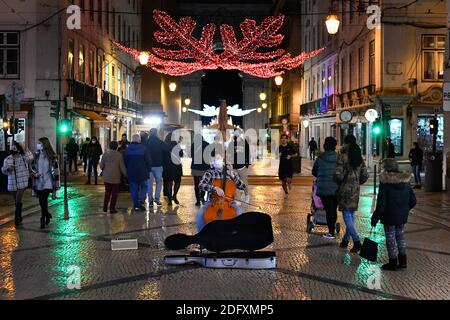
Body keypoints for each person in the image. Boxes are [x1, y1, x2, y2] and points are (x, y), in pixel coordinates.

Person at [371, 158, 416, 270]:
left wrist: (375, 217)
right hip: (402, 216)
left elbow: (381, 204)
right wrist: (404, 209)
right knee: (400, 236)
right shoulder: (405, 181)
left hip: (389, 215)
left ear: (386, 168)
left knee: (390, 238)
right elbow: (413, 200)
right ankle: (403, 261)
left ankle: (392, 263)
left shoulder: (385, 182)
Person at [334, 134, 368, 252]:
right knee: (351, 215)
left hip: (344, 190)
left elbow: (338, 175)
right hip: (356, 190)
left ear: (346, 143)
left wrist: (341, 180)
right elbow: (365, 175)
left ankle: (357, 241)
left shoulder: (342, 156)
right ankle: (345, 240)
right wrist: (357, 182)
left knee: (347, 216)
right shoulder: (359, 157)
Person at [196, 154, 247, 232]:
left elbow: (242, 186)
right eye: (215, 158)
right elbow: (201, 185)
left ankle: (234, 237)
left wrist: (233, 175)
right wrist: (214, 188)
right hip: (213, 201)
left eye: (219, 158)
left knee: (239, 214)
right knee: (200, 215)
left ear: (223, 161)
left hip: (230, 203)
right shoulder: (210, 173)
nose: (217, 160)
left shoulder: (231, 173)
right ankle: (202, 237)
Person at [1, 142, 34, 227]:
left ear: (19, 149)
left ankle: (16, 218)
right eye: (12, 147)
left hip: (22, 181)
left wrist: (25, 149)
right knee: (16, 200)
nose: (13, 148)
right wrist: (8, 169)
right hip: (12, 182)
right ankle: (19, 216)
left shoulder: (23, 157)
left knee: (18, 198)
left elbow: (31, 158)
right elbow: (3, 170)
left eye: (15, 147)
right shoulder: (8, 159)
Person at [312, 137, 338, 239]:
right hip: (336, 187)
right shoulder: (339, 158)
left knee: (328, 209)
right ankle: (332, 229)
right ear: (335, 146)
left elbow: (314, 172)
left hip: (324, 188)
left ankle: (331, 231)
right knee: (333, 208)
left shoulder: (320, 158)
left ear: (324, 146)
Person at [31, 137, 60, 229]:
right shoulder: (36, 155)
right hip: (38, 180)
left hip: (48, 181)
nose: (38, 145)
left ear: (44, 144)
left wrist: (57, 183)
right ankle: (47, 214)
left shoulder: (52, 156)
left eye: (40, 143)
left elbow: (56, 170)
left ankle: (42, 218)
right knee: (41, 200)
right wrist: (35, 173)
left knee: (44, 198)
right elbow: (32, 166)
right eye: (38, 143)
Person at [124, 134, 152, 212]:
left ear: (132, 140)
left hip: (131, 173)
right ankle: (141, 200)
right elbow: (148, 161)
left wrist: (126, 171)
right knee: (144, 186)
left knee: (133, 189)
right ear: (139, 140)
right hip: (143, 172)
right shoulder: (144, 148)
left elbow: (125, 162)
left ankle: (136, 205)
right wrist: (148, 170)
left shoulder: (127, 150)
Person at [100, 141, 127, 214]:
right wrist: (125, 174)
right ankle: (112, 208)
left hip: (106, 177)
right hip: (116, 177)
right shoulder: (119, 155)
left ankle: (105, 207)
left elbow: (101, 166)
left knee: (107, 192)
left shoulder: (105, 154)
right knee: (114, 194)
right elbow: (122, 167)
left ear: (109, 146)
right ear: (116, 147)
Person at [145, 128, 169, 206]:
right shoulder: (160, 142)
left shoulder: (146, 142)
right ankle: (157, 198)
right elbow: (167, 149)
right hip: (158, 165)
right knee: (159, 182)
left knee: (149, 183)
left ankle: (150, 200)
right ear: (156, 133)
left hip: (148, 166)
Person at [227, 129, 251, 201]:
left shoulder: (244, 142)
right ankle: (238, 199)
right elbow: (228, 153)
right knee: (235, 182)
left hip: (242, 166)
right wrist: (229, 162)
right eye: (235, 132)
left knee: (244, 181)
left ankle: (246, 195)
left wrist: (246, 164)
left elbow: (248, 153)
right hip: (234, 166)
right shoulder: (231, 143)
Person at [190, 134, 212, 206]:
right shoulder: (207, 144)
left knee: (196, 184)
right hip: (205, 168)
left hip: (195, 167)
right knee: (204, 183)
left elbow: (191, 155)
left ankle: (197, 201)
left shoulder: (193, 145)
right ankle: (202, 196)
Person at [162, 133, 183, 206]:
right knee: (178, 182)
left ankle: (170, 200)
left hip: (167, 167)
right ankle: (175, 195)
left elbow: (163, 157)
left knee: (169, 183)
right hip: (177, 166)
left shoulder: (164, 145)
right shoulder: (177, 145)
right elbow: (181, 154)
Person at [278, 134, 297, 199]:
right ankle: (286, 193)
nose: (283, 139)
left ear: (287, 139)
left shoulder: (290, 147)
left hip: (289, 166)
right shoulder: (279, 147)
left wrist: (290, 156)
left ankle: (289, 183)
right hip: (282, 166)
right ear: (281, 139)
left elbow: (296, 154)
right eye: (282, 138)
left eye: (285, 138)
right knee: (283, 183)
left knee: (288, 180)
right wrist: (278, 155)